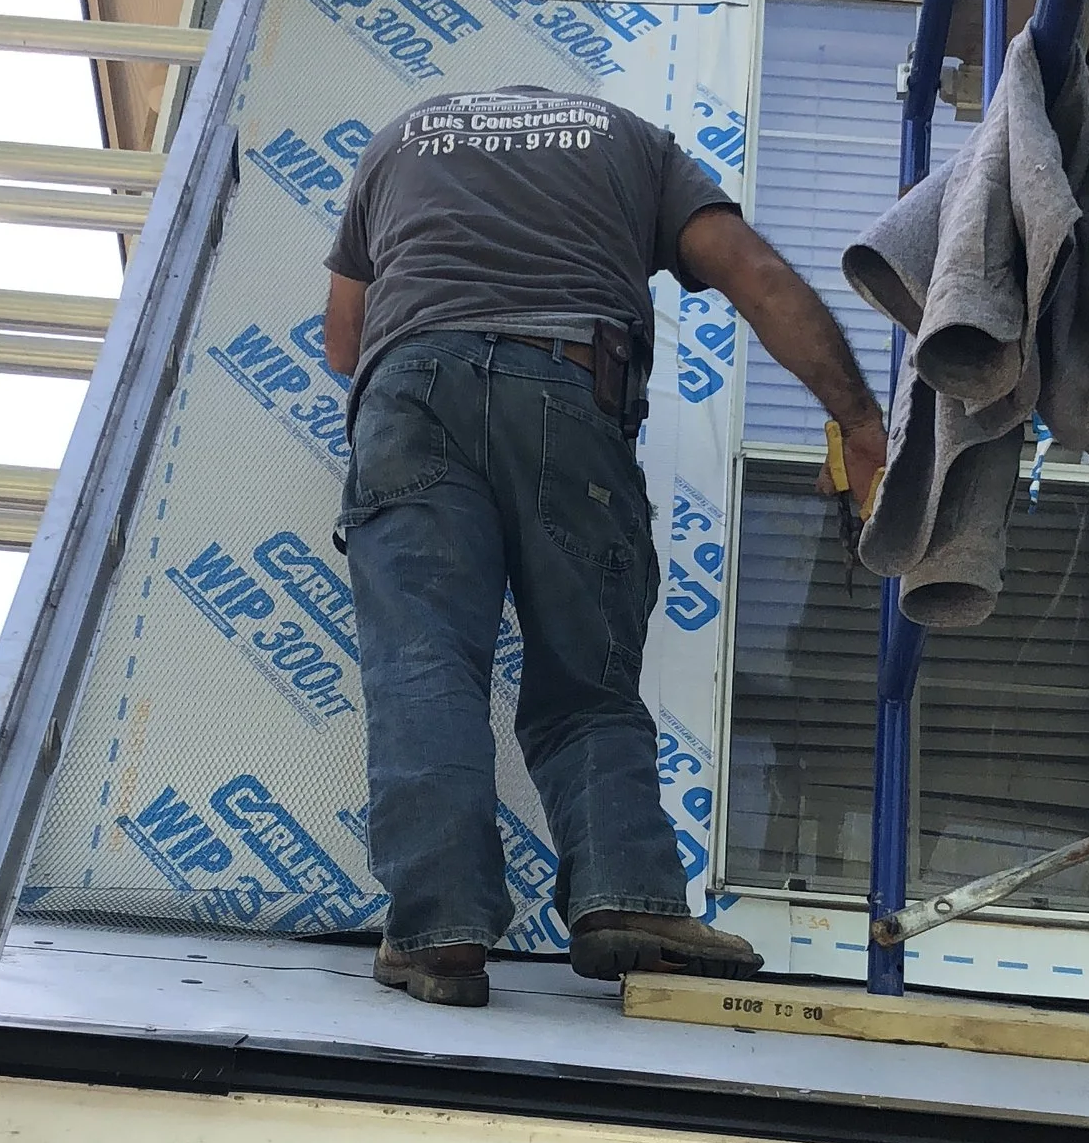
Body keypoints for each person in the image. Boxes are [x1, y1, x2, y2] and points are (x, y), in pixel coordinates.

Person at [322, 84, 889, 1008]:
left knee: (422, 665)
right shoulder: (635, 144)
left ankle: (441, 935)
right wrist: (859, 420)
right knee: (586, 679)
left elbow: (345, 342)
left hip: (409, 393)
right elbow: (753, 272)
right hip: (569, 380)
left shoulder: (393, 144)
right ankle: (627, 901)